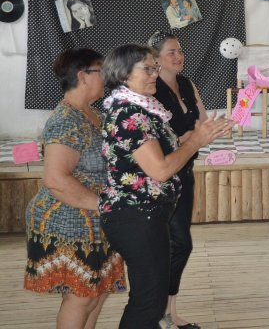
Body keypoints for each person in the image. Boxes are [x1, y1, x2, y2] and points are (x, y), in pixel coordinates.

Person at [99, 44, 232, 329]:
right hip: (135, 215)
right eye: (147, 68)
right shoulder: (129, 114)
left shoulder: (142, 110)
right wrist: (196, 141)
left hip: (146, 214)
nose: (154, 74)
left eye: (155, 68)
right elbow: (160, 169)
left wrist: (201, 134)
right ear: (123, 75)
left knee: (150, 298)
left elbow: (169, 150)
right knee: (149, 302)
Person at [24, 48, 126, 329]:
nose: (107, 77)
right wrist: (106, 205)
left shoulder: (92, 113)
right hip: (66, 222)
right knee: (81, 297)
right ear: (83, 76)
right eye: (101, 70)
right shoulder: (65, 120)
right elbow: (56, 180)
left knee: (98, 292)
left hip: (97, 219)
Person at [149, 31, 209, 329]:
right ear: (156, 58)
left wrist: (198, 135)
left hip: (185, 169)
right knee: (178, 243)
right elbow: (162, 137)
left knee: (180, 243)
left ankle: (169, 311)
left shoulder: (186, 83)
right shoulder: (150, 89)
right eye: (171, 52)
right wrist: (193, 137)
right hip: (162, 175)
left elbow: (202, 121)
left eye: (180, 50)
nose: (178, 56)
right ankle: (157, 311)